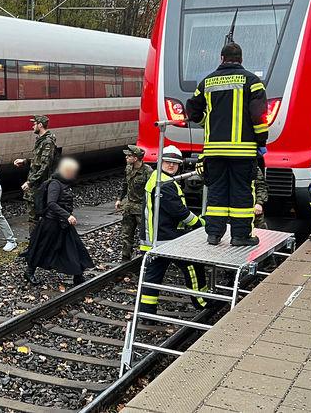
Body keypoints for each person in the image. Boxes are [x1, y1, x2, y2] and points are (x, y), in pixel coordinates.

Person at [186, 42, 268, 246]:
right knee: (241, 192)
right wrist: (261, 141)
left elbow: (193, 110)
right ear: (241, 59)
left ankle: (214, 234)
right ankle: (240, 236)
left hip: (214, 150)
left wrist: (208, 122)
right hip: (243, 151)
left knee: (216, 191)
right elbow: (259, 116)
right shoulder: (252, 81)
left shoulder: (207, 82)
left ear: (221, 59)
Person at [139, 145, 208, 315]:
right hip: (165, 239)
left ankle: (147, 312)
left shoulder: (158, 177)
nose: (171, 166)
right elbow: (179, 212)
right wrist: (200, 224)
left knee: (153, 277)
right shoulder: (165, 184)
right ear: (160, 162)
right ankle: (201, 302)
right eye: (168, 162)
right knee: (192, 265)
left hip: (154, 239)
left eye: (175, 163)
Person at [24, 157, 94, 286]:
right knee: (42, 248)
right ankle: (29, 271)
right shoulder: (55, 184)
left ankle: (78, 275)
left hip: (62, 223)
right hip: (51, 223)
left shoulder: (64, 183)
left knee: (74, 247)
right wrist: (67, 215)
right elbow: (51, 203)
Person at [14, 115, 57, 231]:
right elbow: (39, 161)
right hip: (37, 184)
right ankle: (35, 244)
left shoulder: (47, 142)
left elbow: (45, 166)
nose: (32, 126)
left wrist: (30, 182)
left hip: (39, 185)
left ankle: (35, 245)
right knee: (34, 216)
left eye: (34, 124)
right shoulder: (42, 141)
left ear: (40, 125)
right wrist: (25, 161)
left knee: (35, 217)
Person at [115, 145, 150, 261]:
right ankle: (125, 256)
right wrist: (120, 199)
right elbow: (125, 184)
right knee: (126, 233)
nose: (126, 157)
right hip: (129, 206)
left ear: (135, 158)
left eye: (129, 156)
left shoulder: (147, 171)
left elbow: (151, 190)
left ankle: (145, 256)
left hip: (141, 207)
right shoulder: (128, 168)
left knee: (144, 234)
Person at [253, 149, 269, 229]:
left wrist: (259, 203)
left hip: (253, 207)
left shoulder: (254, 168)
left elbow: (261, 186)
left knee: (260, 230)